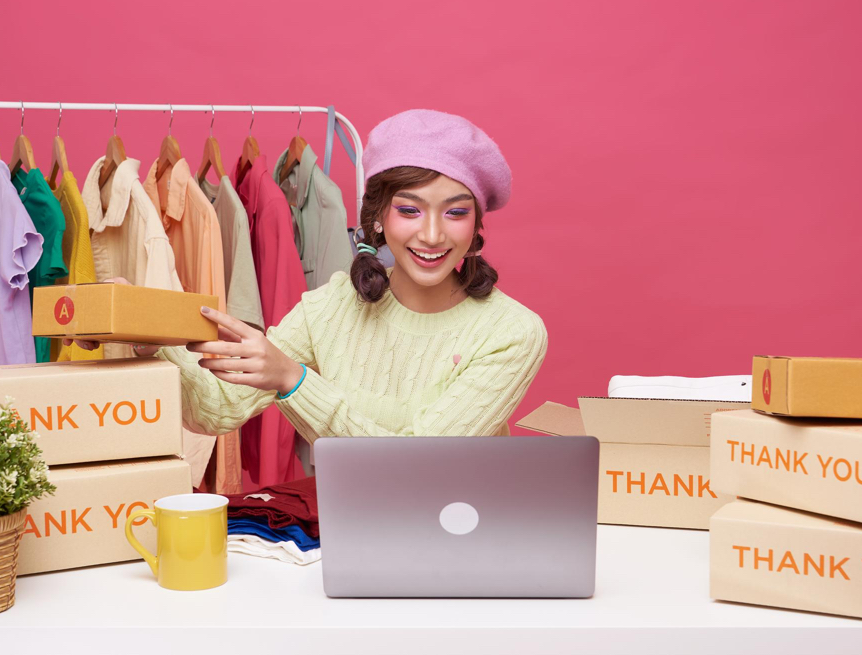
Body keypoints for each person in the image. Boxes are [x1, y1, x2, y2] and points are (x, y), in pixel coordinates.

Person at [69, 109, 547, 467]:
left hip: (463, 542)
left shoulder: (511, 332)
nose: (432, 234)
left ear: (477, 224)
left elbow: (420, 466)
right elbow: (215, 410)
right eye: (409, 210)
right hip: (343, 536)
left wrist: (294, 381)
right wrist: (144, 331)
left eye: (456, 212)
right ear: (377, 218)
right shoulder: (332, 308)